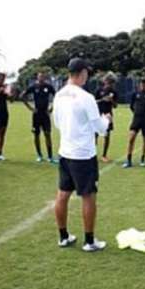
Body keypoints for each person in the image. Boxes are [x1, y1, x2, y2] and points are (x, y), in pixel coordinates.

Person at [52, 58, 112, 252]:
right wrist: (106, 119)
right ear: (81, 72)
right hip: (83, 155)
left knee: (62, 194)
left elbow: (57, 123)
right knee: (88, 196)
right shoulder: (86, 97)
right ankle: (89, 241)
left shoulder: (59, 95)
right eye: (87, 71)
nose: (88, 75)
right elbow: (100, 129)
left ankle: (63, 237)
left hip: (65, 152)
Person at [22, 72, 57, 163]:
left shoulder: (48, 87)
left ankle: (50, 156)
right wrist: (30, 108)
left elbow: (57, 97)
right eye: (39, 76)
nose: (41, 78)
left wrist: (51, 108)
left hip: (45, 114)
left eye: (43, 76)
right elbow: (22, 96)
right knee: (36, 135)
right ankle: (39, 155)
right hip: (36, 114)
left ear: (45, 78)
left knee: (47, 134)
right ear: (37, 77)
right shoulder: (34, 87)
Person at [123, 77, 145, 168]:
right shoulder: (135, 94)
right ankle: (128, 160)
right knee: (131, 138)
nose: (144, 86)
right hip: (136, 119)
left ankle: (143, 159)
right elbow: (131, 106)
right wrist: (137, 112)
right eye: (142, 84)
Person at [93, 75, 118, 163]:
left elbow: (115, 106)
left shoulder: (113, 92)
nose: (109, 84)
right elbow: (94, 102)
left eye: (111, 82)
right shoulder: (99, 90)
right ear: (104, 81)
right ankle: (93, 154)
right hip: (98, 114)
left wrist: (111, 100)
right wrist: (102, 99)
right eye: (108, 81)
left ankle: (104, 155)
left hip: (108, 115)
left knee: (107, 135)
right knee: (95, 135)